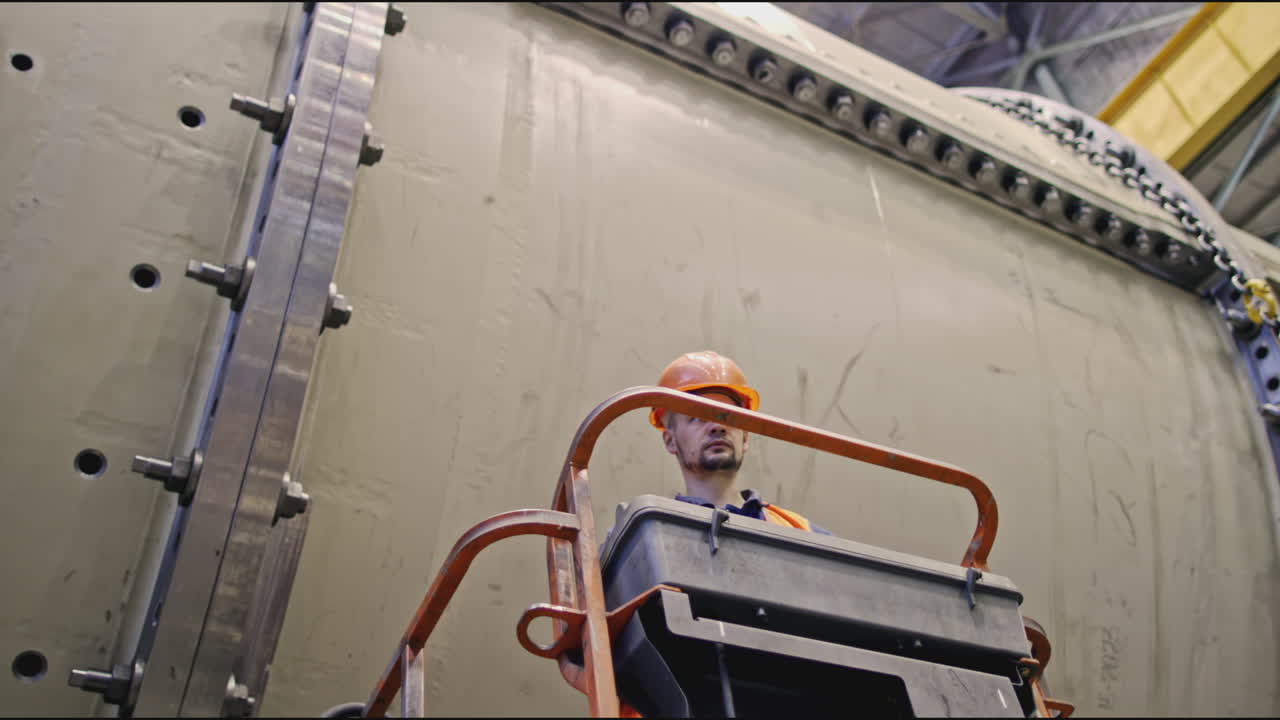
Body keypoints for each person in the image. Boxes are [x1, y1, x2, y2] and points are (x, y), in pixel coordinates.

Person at [650, 350, 832, 535]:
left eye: (729, 416)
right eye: (698, 417)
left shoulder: (803, 533)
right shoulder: (651, 534)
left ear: (745, 436)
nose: (718, 426)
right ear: (670, 441)